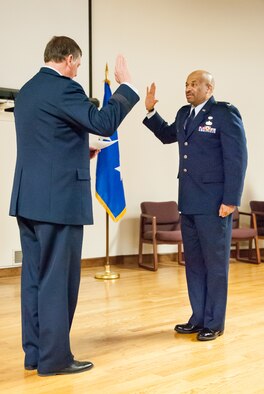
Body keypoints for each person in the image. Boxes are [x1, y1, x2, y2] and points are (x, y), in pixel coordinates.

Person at [9, 36, 139, 376]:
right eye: (78, 64)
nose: (78, 70)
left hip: (29, 199)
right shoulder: (65, 88)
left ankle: (36, 354)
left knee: (34, 279)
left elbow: (49, 142)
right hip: (59, 201)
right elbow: (103, 122)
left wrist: (83, 150)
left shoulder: (27, 92)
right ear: (68, 59)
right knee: (58, 281)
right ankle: (55, 360)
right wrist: (127, 87)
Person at [143, 70, 247, 341]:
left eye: (193, 84)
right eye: (186, 84)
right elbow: (168, 135)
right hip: (188, 201)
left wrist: (231, 200)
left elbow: (237, 158)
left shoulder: (224, 114)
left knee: (215, 265)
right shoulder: (183, 114)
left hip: (215, 204)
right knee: (194, 264)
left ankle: (214, 322)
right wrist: (152, 111)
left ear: (209, 88)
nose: (188, 89)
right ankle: (198, 317)